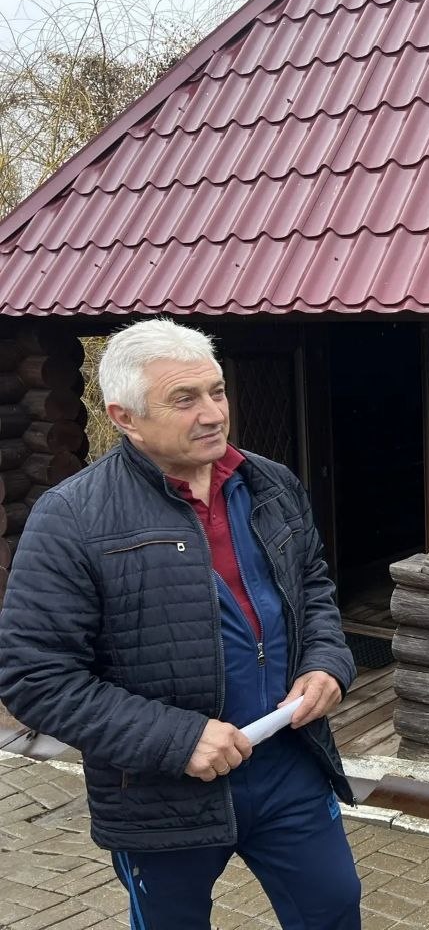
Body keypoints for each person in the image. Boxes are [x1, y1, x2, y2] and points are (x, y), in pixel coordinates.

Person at [0, 319, 362, 929]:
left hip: (289, 765)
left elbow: (315, 590)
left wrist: (327, 662)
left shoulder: (271, 484)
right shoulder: (72, 517)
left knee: (333, 908)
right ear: (125, 418)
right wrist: (177, 739)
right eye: (184, 399)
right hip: (160, 795)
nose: (213, 414)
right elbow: (35, 677)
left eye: (217, 391)